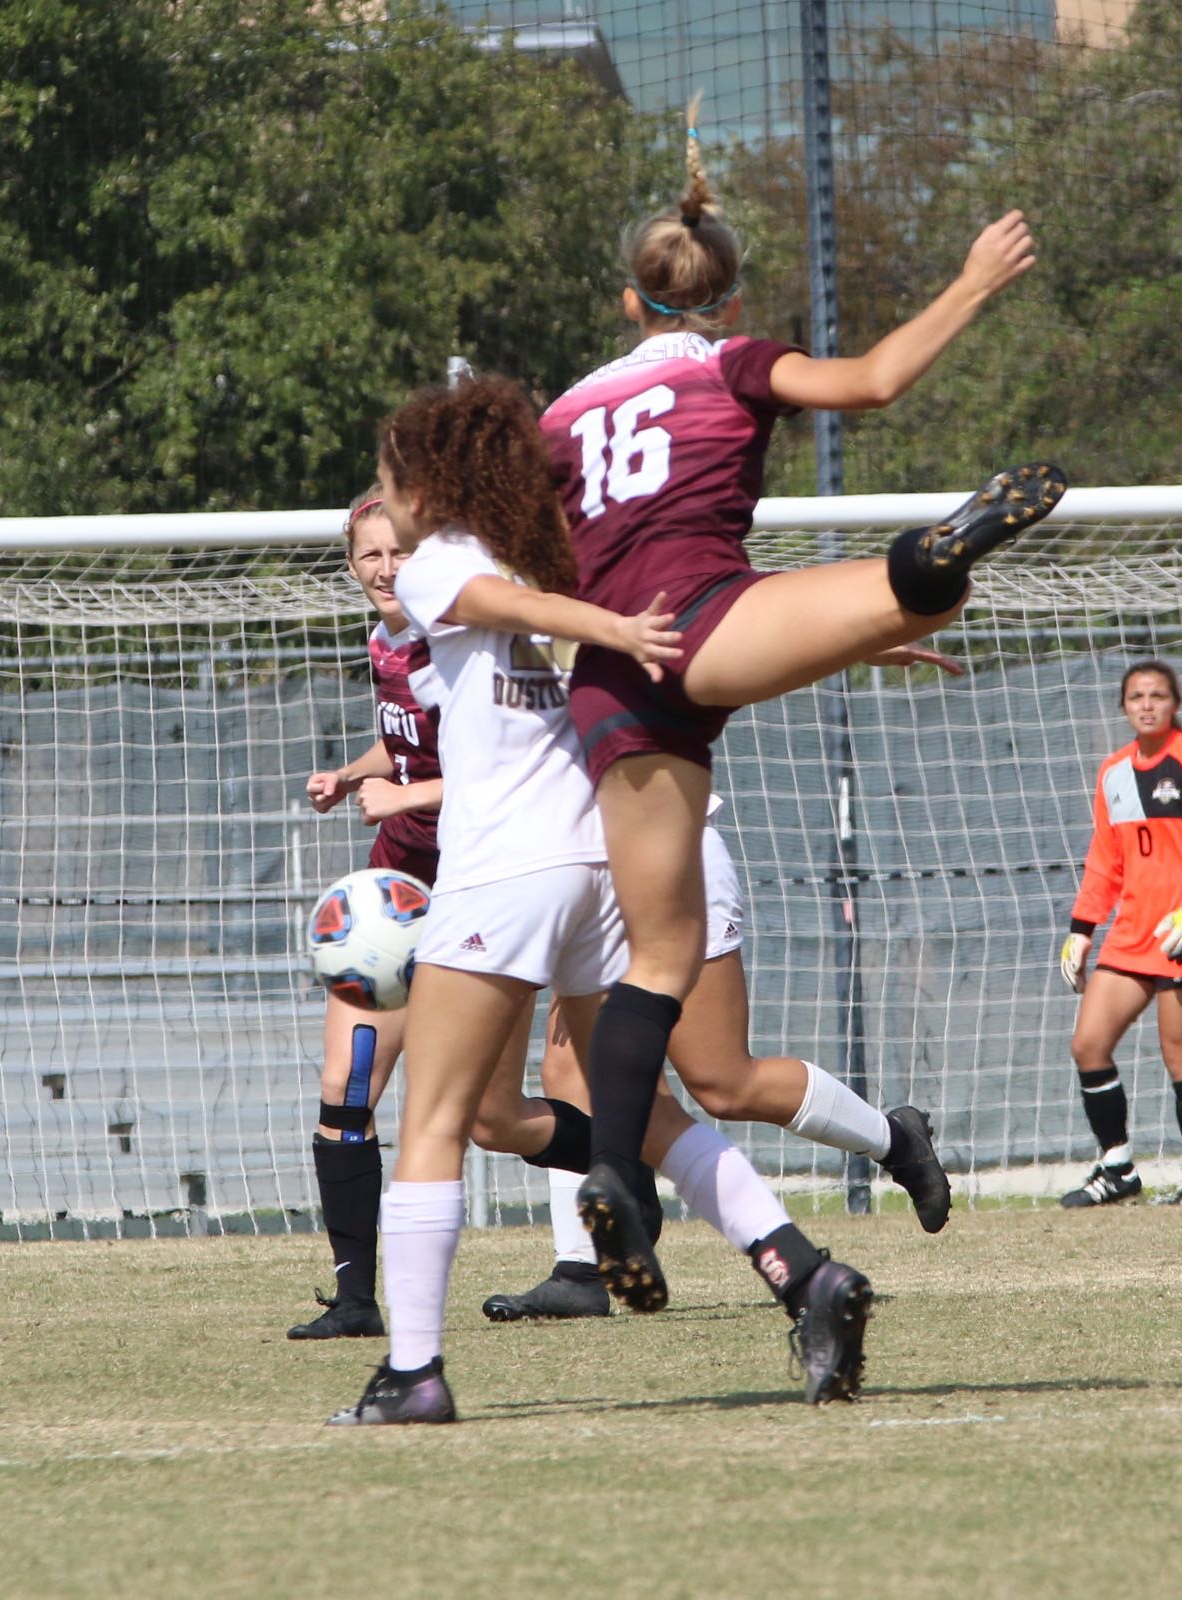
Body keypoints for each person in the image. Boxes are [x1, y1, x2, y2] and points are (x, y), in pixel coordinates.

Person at [540, 118, 1064, 1300]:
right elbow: (873, 382)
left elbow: (534, 563)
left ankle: (615, 1176)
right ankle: (921, 578)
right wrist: (973, 281)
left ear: (627, 302)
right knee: (902, 594)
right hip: (719, 623)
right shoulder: (732, 364)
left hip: (615, 670)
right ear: (722, 298)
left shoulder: (562, 417)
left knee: (654, 959)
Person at [328, 375, 874, 1425]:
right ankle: (802, 1271)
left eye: (394, 478)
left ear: (431, 485)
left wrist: (613, 630)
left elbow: (515, 608)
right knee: (639, 1112)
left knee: (433, 1120)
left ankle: (412, 1370)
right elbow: (703, 624)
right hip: (597, 871)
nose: (386, 503)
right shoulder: (574, 547)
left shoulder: (452, 560)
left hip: (506, 870)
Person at [484, 781, 957, 1322]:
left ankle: (896, 1141)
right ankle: (582, 1270)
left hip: (669, 857)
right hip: (582, 873)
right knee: (571, 1068)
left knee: (723, 1082)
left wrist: (413, 792)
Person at [286, 491, 446, 1341]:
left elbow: (503, 772)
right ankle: (354, 1301)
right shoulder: (386, 639)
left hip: (476, 887)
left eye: (401, 553)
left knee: (485, 1114)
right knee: (345, 1088)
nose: (386, 571)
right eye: (369, 557)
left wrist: (403, 796)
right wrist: (353, 776)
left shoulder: (461, 640)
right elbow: (408, 738)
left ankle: (630, 1185)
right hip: (396, 893)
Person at [1056, 661, 1182, 1206]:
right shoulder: (1113, 771)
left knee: (1179, 1054)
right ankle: (1117, 1170)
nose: (1147, 703)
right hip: (1131, 932)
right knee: (1088, 1044)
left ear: (1175, 704)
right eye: (1136, 695)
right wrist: (1081, 928)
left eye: (1158, 694)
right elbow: (1105, 860)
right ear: (1124, 706)